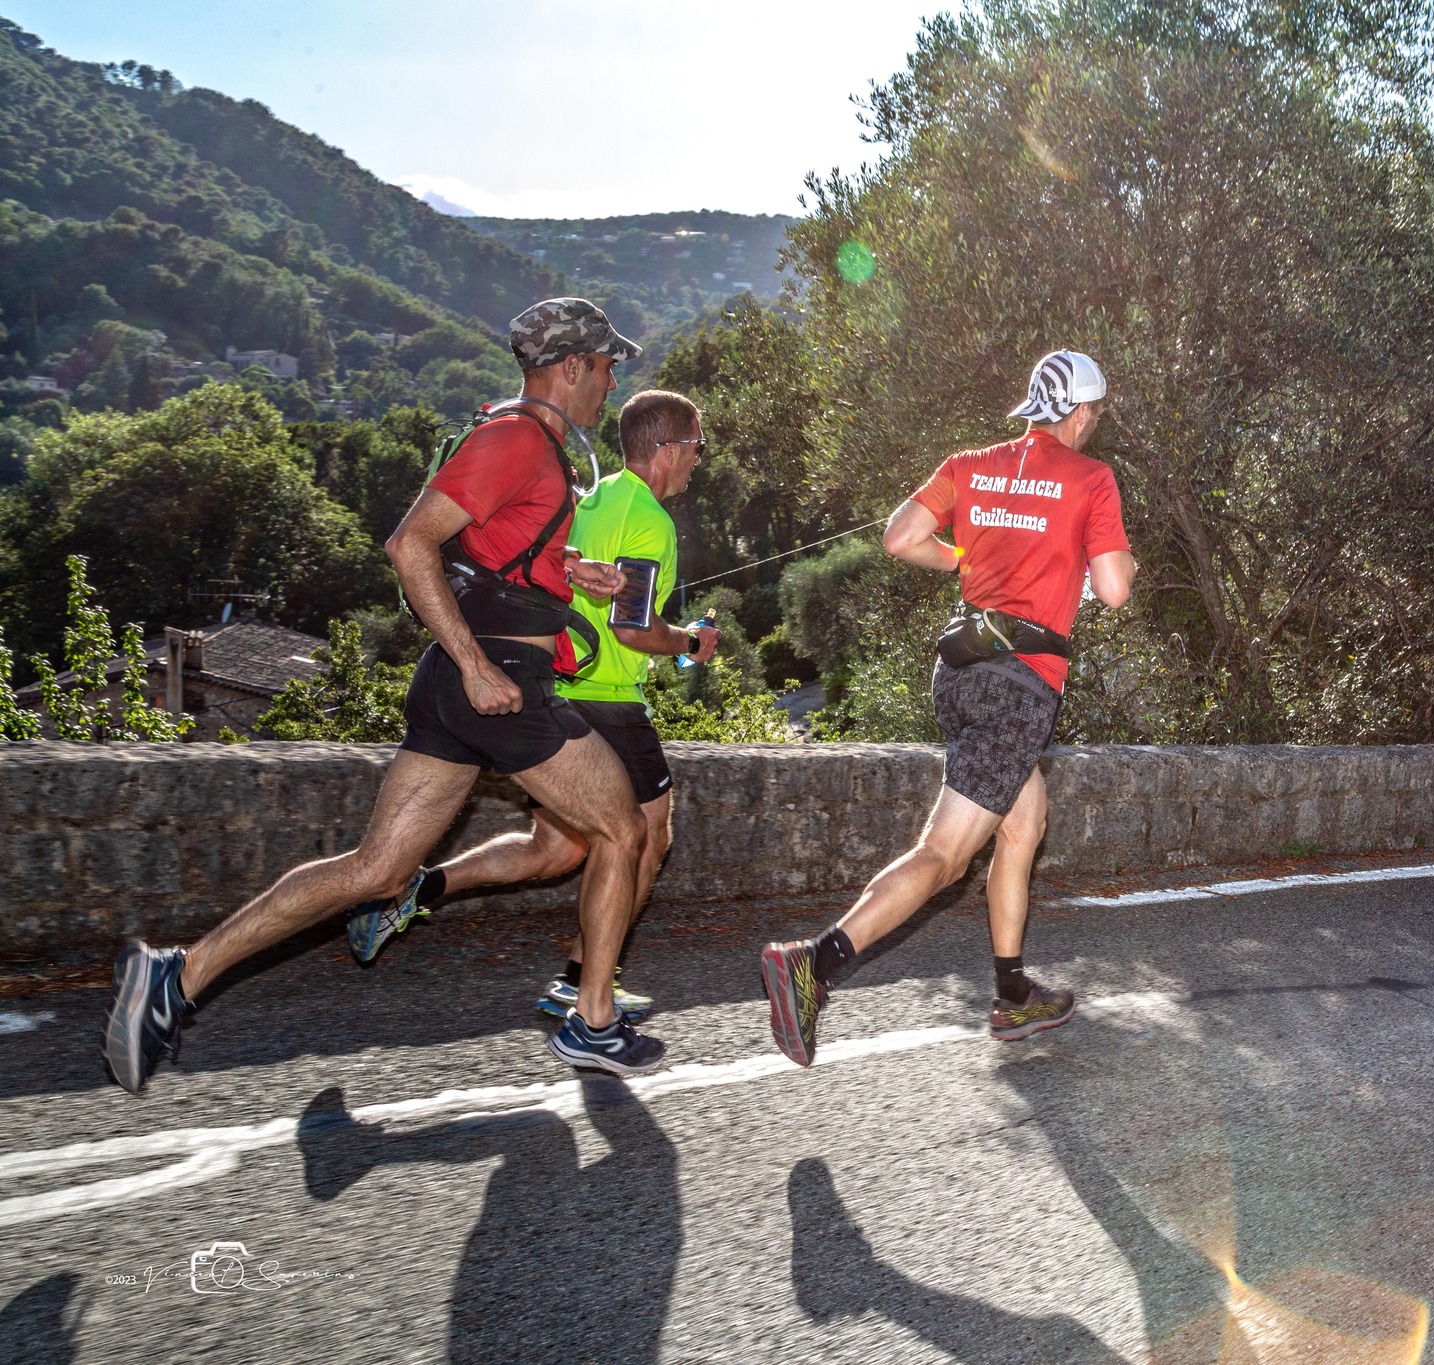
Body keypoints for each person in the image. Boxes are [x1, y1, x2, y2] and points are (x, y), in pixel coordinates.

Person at [104, 298, 668, 1093]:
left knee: (375, 870)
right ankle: (594, 1020)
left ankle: (176, 977)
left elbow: (496, 550)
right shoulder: (512, 438)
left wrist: (573, 571)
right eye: (607, 366)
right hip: (497, 680)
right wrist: (475, 664)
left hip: (468, 684)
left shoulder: (536, 449)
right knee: (624, 828)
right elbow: (411, 544)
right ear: (571, 366)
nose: (611, 383)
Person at [759, 349, 1135, 1067]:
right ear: (1082, 412)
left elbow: (900, 537)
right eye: (1096, 413)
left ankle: (1012, 989)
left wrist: (962, 557)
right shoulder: (1092, 478)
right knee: (945, 854)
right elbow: (1114, 588)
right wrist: (1124, 561)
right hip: (1018, 686)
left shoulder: (971, 462)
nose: (1094, 424)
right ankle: (814, 963)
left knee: (1024, 821)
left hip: (959, 672)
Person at [346, 390, 720, 1021]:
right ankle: (583, 981)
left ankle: (420, 885)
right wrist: (689, 642)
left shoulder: (592, 498)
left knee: (557, 849)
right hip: (608, 697)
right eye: (697, 449)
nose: (698, 463)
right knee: (646, 838)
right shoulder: (651, 521)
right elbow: (632, 628)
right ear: (669, 449)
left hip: (556, 684)